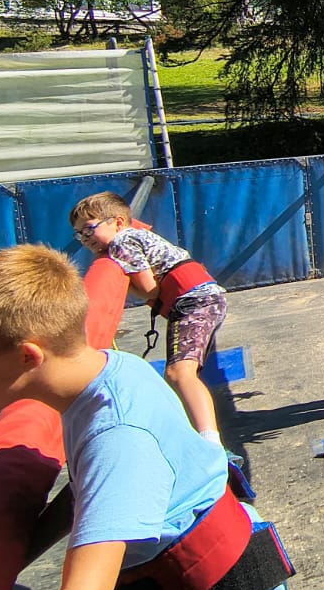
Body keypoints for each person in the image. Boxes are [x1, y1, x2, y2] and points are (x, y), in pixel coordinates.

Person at [0, 245, 292, 590]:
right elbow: (88, 490)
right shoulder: (116, 369)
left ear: (27, 357)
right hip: (226, 567)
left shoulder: (117, 439)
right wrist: (11, 558)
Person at [71, 191, 228, 445]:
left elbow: (149, 290)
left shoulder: (122, 242)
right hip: (204, 298)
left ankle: (210, 443)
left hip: (194, 301)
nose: (85, 238)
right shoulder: (134, 235)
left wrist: (125, 281)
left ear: (118, 222)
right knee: (181, 372)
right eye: (80, 234)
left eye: (89, 229)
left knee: (179, 372)